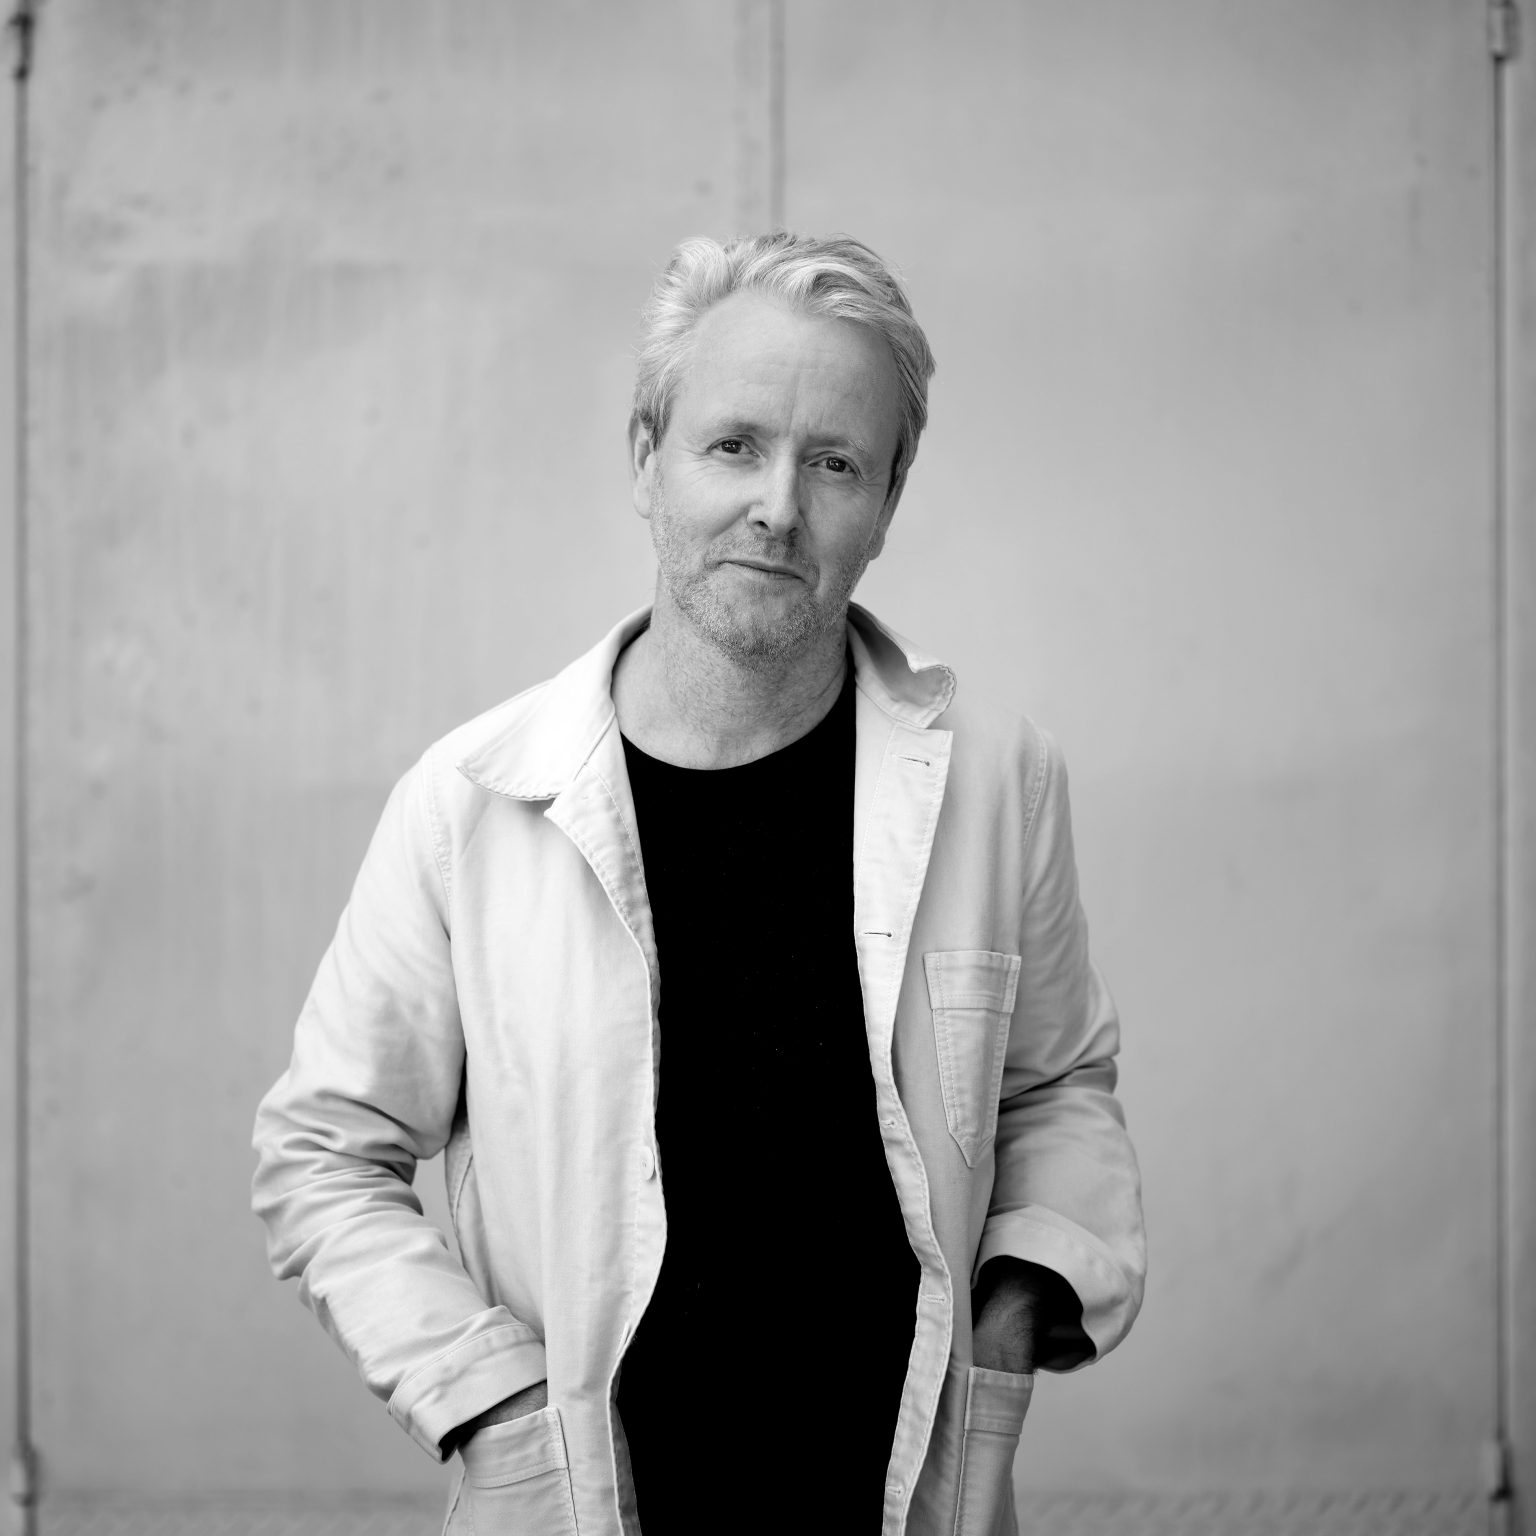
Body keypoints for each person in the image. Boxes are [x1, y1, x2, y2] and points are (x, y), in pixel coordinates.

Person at [252, 231, 1146, 1536]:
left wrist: (1014, 1316)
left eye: (834, 463)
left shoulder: (998, 780)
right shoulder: (472, 805)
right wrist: (494, 1406)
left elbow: (1055, 1087)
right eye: (734, 446)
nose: (779, 506)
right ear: (645, 458)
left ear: (889, 499)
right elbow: (322, 1152)